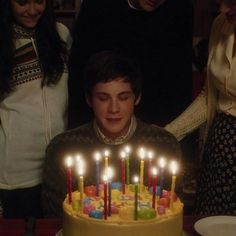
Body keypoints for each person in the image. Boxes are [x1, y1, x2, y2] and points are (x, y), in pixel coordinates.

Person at [42, 50, 181, 217]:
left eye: (123, 98)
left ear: (137, 98)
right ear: (89, 99)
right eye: (103, 98)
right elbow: (56, 214)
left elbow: (170, 210)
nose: (113, 109)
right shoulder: (63, 147)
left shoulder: (163, 145)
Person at [68, 0, 193, 128]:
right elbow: (79, 77)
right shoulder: (97, 7)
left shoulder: (179, 10)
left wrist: (172, 132)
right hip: (101, 122)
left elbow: (181, 83)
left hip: (158, 124)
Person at [0, 0, 71, 219]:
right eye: (22, 2)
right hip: (15, 172)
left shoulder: (62, 34)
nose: (32, 10)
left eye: (39, 1)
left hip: (59, 166)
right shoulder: (3, 42)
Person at [165, 0, 236, 215]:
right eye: (220, 1)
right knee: (211, 222)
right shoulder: (220, 24)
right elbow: (208, 97)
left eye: (232, 2)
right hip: (219, 149)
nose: (223, 9)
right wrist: (168, 133)